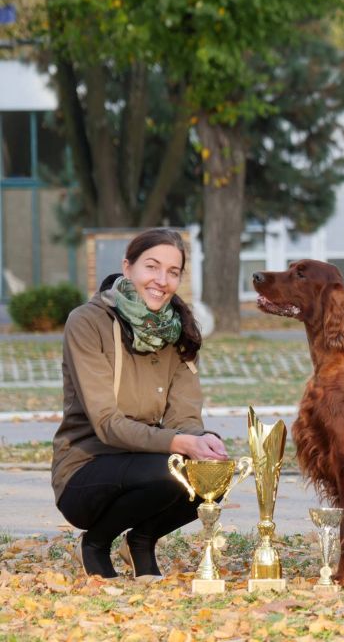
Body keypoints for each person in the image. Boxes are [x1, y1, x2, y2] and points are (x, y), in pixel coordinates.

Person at [51, 228, 229, 580]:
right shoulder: (87, 322)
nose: (161, 280)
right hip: (87, 467)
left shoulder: (179, 331)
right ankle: (96, 544)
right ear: (127, 268)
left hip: (144, 462)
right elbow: (106, 423)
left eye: (173, 272)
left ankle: (143, 539)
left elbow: (185, 417)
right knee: (166, 472)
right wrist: (179, 442)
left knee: (212, 475)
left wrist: (200, 443)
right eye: (151, 267)